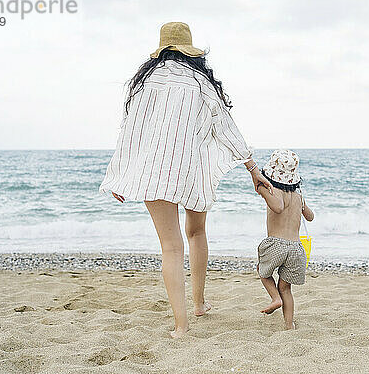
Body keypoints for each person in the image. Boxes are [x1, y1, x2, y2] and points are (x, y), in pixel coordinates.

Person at [99, 22, 273, 338]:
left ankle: (181, 326)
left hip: (153, 170)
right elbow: (226, 127)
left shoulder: (145, 83)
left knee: (171, 247)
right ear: (190, 51)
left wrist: (119, 175)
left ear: (162, 50)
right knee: (196, 231)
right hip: (190, 168)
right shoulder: (199, 81)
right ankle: (199, 303)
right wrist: (252, 169)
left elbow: (130, 132)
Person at [255, 149, 314, 330]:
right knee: (286, 287)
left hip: (276, 245)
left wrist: (261, 190)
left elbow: (278, 207)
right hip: (296, 248)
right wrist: (302, 205)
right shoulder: (298, 196)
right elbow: (310, 217)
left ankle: (274, 298)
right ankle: (289, 325)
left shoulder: (273, 192)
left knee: (262, 271)